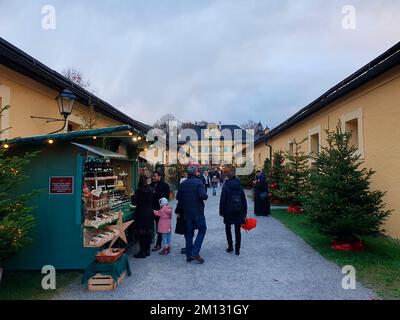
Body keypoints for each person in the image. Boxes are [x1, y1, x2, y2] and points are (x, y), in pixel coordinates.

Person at [176, 166, 208, 264]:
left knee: (189, 233)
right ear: (195, 173)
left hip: (186, 213)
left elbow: (178, 197)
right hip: (198, 212)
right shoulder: (199, 183)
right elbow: (203, 196)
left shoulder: (183, 184)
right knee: (202, 229)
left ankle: (189, 255)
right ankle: (195, 252)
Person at [219, 172, 247, 255]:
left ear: (228, 177)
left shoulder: (225, 186)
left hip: (228, 210)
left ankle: (230, 246)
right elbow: (243, 200)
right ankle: (237, 249)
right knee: (237, 230)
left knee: (228, 229)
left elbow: (222, 200)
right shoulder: (240, 186)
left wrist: (221, 211)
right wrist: (244, 212)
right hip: (239, 210)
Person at [131, 175, 154, 258]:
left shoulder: (138, 191)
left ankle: (142, 252)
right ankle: (147, 250)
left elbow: (134, 202)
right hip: (149, 212)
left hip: (141, 213)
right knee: (147, 233)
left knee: (141, 234)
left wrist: (132, 196)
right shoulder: (151, 190)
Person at [150, 171, 171, 251]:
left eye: (155, 176)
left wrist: (156, 193)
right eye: (152, 176)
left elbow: (166, 197)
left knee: (160, 227)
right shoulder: (151, 185)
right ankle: (151, 240)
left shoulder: (165, 185)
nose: (153, 177)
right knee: (150, 225)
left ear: (159, 176)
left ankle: (158, 244)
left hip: (160, 210)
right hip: (151, 209)